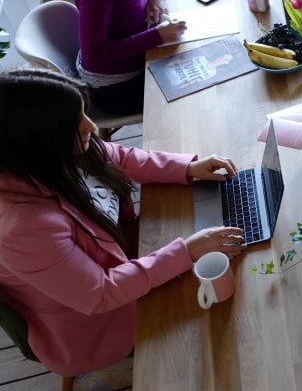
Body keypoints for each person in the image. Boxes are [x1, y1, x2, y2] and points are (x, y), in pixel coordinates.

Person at [0, 69, 245, 377]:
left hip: (129, 254)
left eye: (84, 113)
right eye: (76, 122)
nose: (91, 126)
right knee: (228, 330)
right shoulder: (23, 229)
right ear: (38, 139)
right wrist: (187, 252)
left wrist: (187, 168)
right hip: (97, 323)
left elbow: (119, 156)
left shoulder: (56, 151)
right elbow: (100, 293)